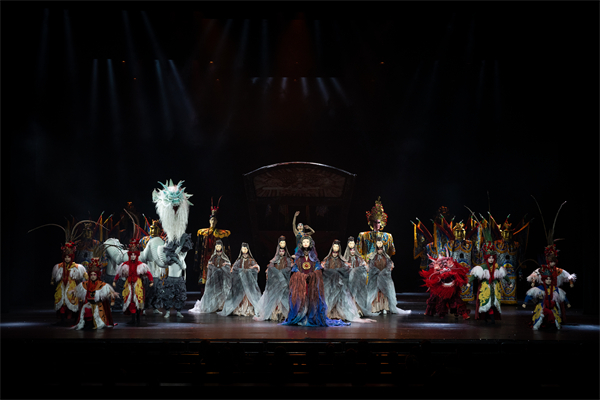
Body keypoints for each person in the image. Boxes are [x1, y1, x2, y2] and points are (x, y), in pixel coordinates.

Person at [280, 236, 349, 327]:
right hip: (301, 283)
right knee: (300, 299)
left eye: (307, 242)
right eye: (304, 242)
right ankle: (301, 317)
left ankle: (311, 318)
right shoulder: (298, 258)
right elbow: (295, 269)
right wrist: (301, 276)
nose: (305, 243)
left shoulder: (313, 258)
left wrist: (312, 275)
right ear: (301, 244)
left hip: (311, 283)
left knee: (312, 299)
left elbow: (318, 268)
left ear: (310, 243)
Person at [322, 240, 375, 323]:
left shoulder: (342, 260)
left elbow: (346, 269)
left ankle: (341, 314)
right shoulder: (327, 259)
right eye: (334, 246)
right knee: (329, 297)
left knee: (343, 298)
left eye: (337, 247)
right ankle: (329, 314)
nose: (335, 248)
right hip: (330, 282)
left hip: (340, 282)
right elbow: (324, 269)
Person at [467, 242, 512, 324]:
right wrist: (469, 282)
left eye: (492, 258)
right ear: (486, 258)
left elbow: (504, 275)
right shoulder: (483, 267)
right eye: (489, 258)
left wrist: (509, 282)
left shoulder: (497, 267)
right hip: (486, 287)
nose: (491, 259)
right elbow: (475, 275)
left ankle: (491, 318)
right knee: (486, 302)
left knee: (494, 303)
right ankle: (488, 318)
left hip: (495, 287)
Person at [367, 234, 411, 315]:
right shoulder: (372, 257)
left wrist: (383, 273)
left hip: (384, 277)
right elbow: (371, 267)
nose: (379, 245)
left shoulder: (386, 257)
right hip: (375, 278)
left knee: (386, 293)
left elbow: (388, 266)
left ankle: (385, 307)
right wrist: (377, 272)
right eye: (378, 243)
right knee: (375, 292)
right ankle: (376, 308)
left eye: (380, 243)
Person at [113, 239, 154, 325]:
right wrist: (115, 280)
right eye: (131, 255)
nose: (132, 256)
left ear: (137, 255)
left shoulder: (141, 265)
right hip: (128, 284)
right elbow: (119, 273)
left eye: (134, 255)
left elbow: (148, 273)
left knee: (138, 300)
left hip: (137, 284)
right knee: (130, 300)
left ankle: (138, 318)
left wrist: (151, 281)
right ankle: (133, 318)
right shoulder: (125, 264)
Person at [254, 236, 293, 322]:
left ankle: (284, 314)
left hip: (284, 281)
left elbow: (288, 268)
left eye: (283, 250)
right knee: (273, 297)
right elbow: (271, 267)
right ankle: (273, 314)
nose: (282, 252)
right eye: (280, 250)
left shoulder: (287, 259)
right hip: (276, 282)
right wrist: (278, 273)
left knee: (284, 297)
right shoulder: (274, 259)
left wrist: (281, 272)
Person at [195, 197, 231, 289]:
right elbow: (199, 246)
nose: (213, 222)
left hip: (216, 256)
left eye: (214, 220)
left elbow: (226, 247)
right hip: (206, 255)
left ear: (217, 222)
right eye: (211, 220)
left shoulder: (221, 233)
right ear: (209, 221)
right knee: (206, 272)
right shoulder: (204, 232)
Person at [73, 259, 119, 330]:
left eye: (94, 275)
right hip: (88, 304)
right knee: (87, 312)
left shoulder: (102, 285)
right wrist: (73, 299)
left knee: (98, 315)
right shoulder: (84, 284)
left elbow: (111, 293)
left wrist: (112, 301)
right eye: (91, 275)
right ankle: (88, 323)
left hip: (98, 305)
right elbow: (76, 292)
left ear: (97, 275)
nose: (93, 276)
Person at [420, 254, 470, 320]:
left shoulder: (452, 266)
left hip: (451, 287)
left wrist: (463, 281)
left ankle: (464, 314)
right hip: (441, 288)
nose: (444, 264)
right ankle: (430, 312)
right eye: (442, 262)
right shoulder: (437, 267)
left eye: (445, 261)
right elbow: (434, 276)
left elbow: (458, 273)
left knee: (457, 300)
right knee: (436, 299)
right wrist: (440, 273)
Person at [218, 243, 262, 317]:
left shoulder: (251, 260)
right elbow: (233, 268)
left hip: (248, 282)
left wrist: (253, 269)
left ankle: (248, 309)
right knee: (238, 294)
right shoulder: (239, 260)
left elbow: (257, 267)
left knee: (249, 294)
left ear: (247, 250)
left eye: (245, 249)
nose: (244, 250)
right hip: (240, 283)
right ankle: (239, 309)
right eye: (242, 249)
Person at [189, 240, 232, 313]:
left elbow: (228, 265)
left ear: (221, 247)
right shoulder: (213, 257)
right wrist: (210, 265)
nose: (218, 248)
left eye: (219, 246)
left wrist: (226, 265)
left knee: (222, 291)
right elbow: (210, 264)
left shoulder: (224, 257)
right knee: (215, 291)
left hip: (222, 277)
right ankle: (215, 306)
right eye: (217, 246)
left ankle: (221, 306)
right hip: (215, 278)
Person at [51, 242, 88, 325]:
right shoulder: (59, 266)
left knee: (73, 300)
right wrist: (52, 280)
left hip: (72, 286)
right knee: (61, 301)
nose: (67, 259)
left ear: (72, 257)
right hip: (61, 286)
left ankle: (75, 319)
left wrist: (86, 279)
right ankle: (62, 319)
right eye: (66, 257)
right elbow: (53, 275)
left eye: (69, 257)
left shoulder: (77, 267)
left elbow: (85, 274)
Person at [345, 236, 377, 317]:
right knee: (350, 295)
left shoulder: (358, 258)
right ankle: (351, 311)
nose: (351, 245)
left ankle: (359, 310)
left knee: (358, 295)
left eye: (353, 243)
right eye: (350, 243)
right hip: (349, 280)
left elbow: (366, 267)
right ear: (348, 244)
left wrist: (359, 271)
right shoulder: (345, 258)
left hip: (358, 280)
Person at [357, 197, 395, 261]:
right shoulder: (363, 235)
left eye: (378, 222)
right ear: (372, 222)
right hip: (367, 263)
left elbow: (391, 252)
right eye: (375, 222)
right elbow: (358, 253)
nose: (376, 225)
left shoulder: (388, 237)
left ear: (381, 223)